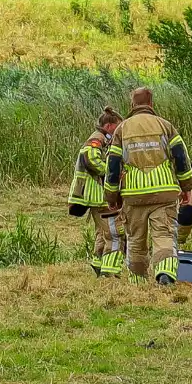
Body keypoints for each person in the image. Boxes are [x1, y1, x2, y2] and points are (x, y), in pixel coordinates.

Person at [104, 87, 192, 285]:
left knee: (136, 239)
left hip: (134, 194)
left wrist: (111, 196)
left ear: (132, 105)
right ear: (151, 104)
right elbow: (181, 158)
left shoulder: (122, 129)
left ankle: (138, 281)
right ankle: (165, 274)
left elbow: (112, 165)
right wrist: (186, 186)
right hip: (164, 191)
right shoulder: (165, 125)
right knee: (164, 234)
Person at [68, 106, 125, 277]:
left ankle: (98, 263)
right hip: (97, 195)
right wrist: (111, 173)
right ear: (109, 126)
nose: (118, 131)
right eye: (117, 127)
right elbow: (91, 159)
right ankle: (110, 271)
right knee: (115, 232)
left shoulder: (102, 139)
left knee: (102, 231)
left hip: (95, 195)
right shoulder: (97, 139)